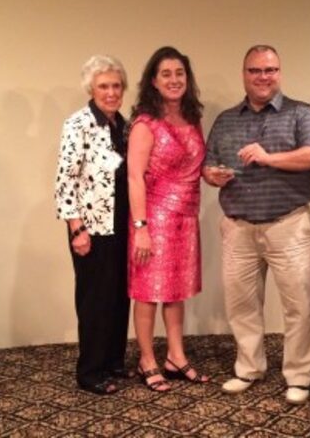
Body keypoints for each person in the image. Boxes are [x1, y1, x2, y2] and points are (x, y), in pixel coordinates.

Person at [203, 45, 310, 404]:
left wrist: (268, 157)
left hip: (288, 225)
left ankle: (300, 375)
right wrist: (212, 175)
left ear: (279, 72)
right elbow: (209, 165)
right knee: (241, 305)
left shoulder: (300, 113)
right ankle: (248, 367)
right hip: (238, 226)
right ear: (244, 74)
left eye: (270, 70)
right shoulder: (226, 120)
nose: (263, 77)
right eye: (255, 70)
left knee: (299, 305)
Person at [127, 46, 208, 392]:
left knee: (177, 292)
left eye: (179, 74)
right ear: (154, 82)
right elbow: (134, 178)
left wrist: (214, 175)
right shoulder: (146, 124)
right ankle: (147, 359)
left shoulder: (192, 119)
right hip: (154, 220)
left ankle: (176, 356)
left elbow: (195, 167)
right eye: (166, 74)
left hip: (186, 219)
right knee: (146, 293)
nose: (174, 80)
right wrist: (141, 229)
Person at [55, 55, 132, 395]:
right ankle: (90, 370)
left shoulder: (123, 125)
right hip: (91, 228)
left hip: (121, 225)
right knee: (94, 300)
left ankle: (114, 361)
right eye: (104, 86)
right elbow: (64, 180)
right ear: (91, 88)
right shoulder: (78, 124)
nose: (111, 92)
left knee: (118, 297)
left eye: (116, 85)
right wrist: (76, 229)